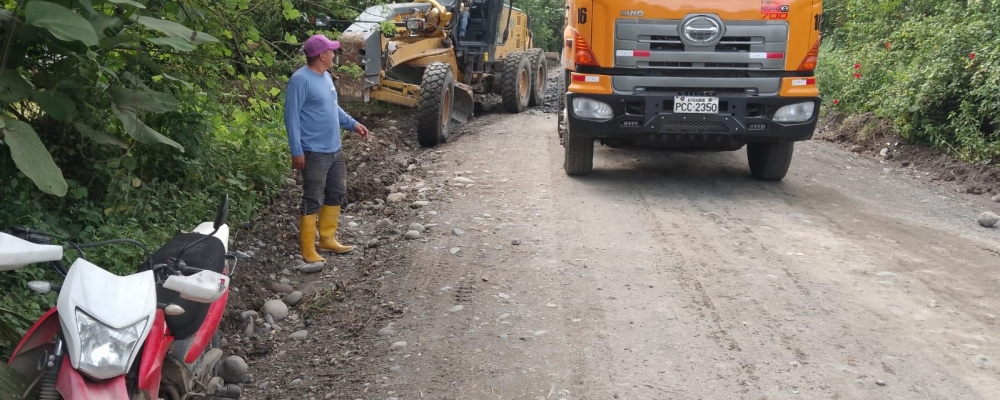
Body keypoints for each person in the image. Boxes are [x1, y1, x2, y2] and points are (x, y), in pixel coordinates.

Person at [284, 34, 370, 264]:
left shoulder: (327, 77)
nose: (334, 54)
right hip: (313, 151)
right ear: (322, 55)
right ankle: (307, 249)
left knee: (336, 192)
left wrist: (353, 123)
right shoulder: (300, 80)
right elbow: (291, 117)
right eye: (332, 51)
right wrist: (296, 150)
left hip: (334, 149)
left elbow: (334, 108)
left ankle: (327, 239)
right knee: (312, 197)